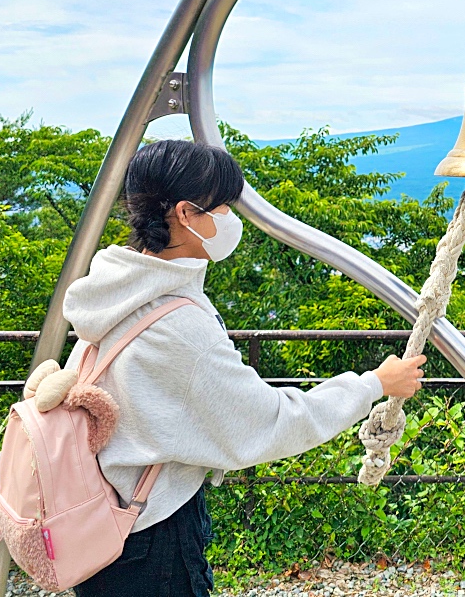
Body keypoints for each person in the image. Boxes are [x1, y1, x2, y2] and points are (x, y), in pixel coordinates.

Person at [62, 139, 425, 596]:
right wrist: (372, 384)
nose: (230, 220)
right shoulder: (177, 326)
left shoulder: (117, 291)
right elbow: (269, 421)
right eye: (223, 207)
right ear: (186, 214)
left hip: (104, 521)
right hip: (150, 538)